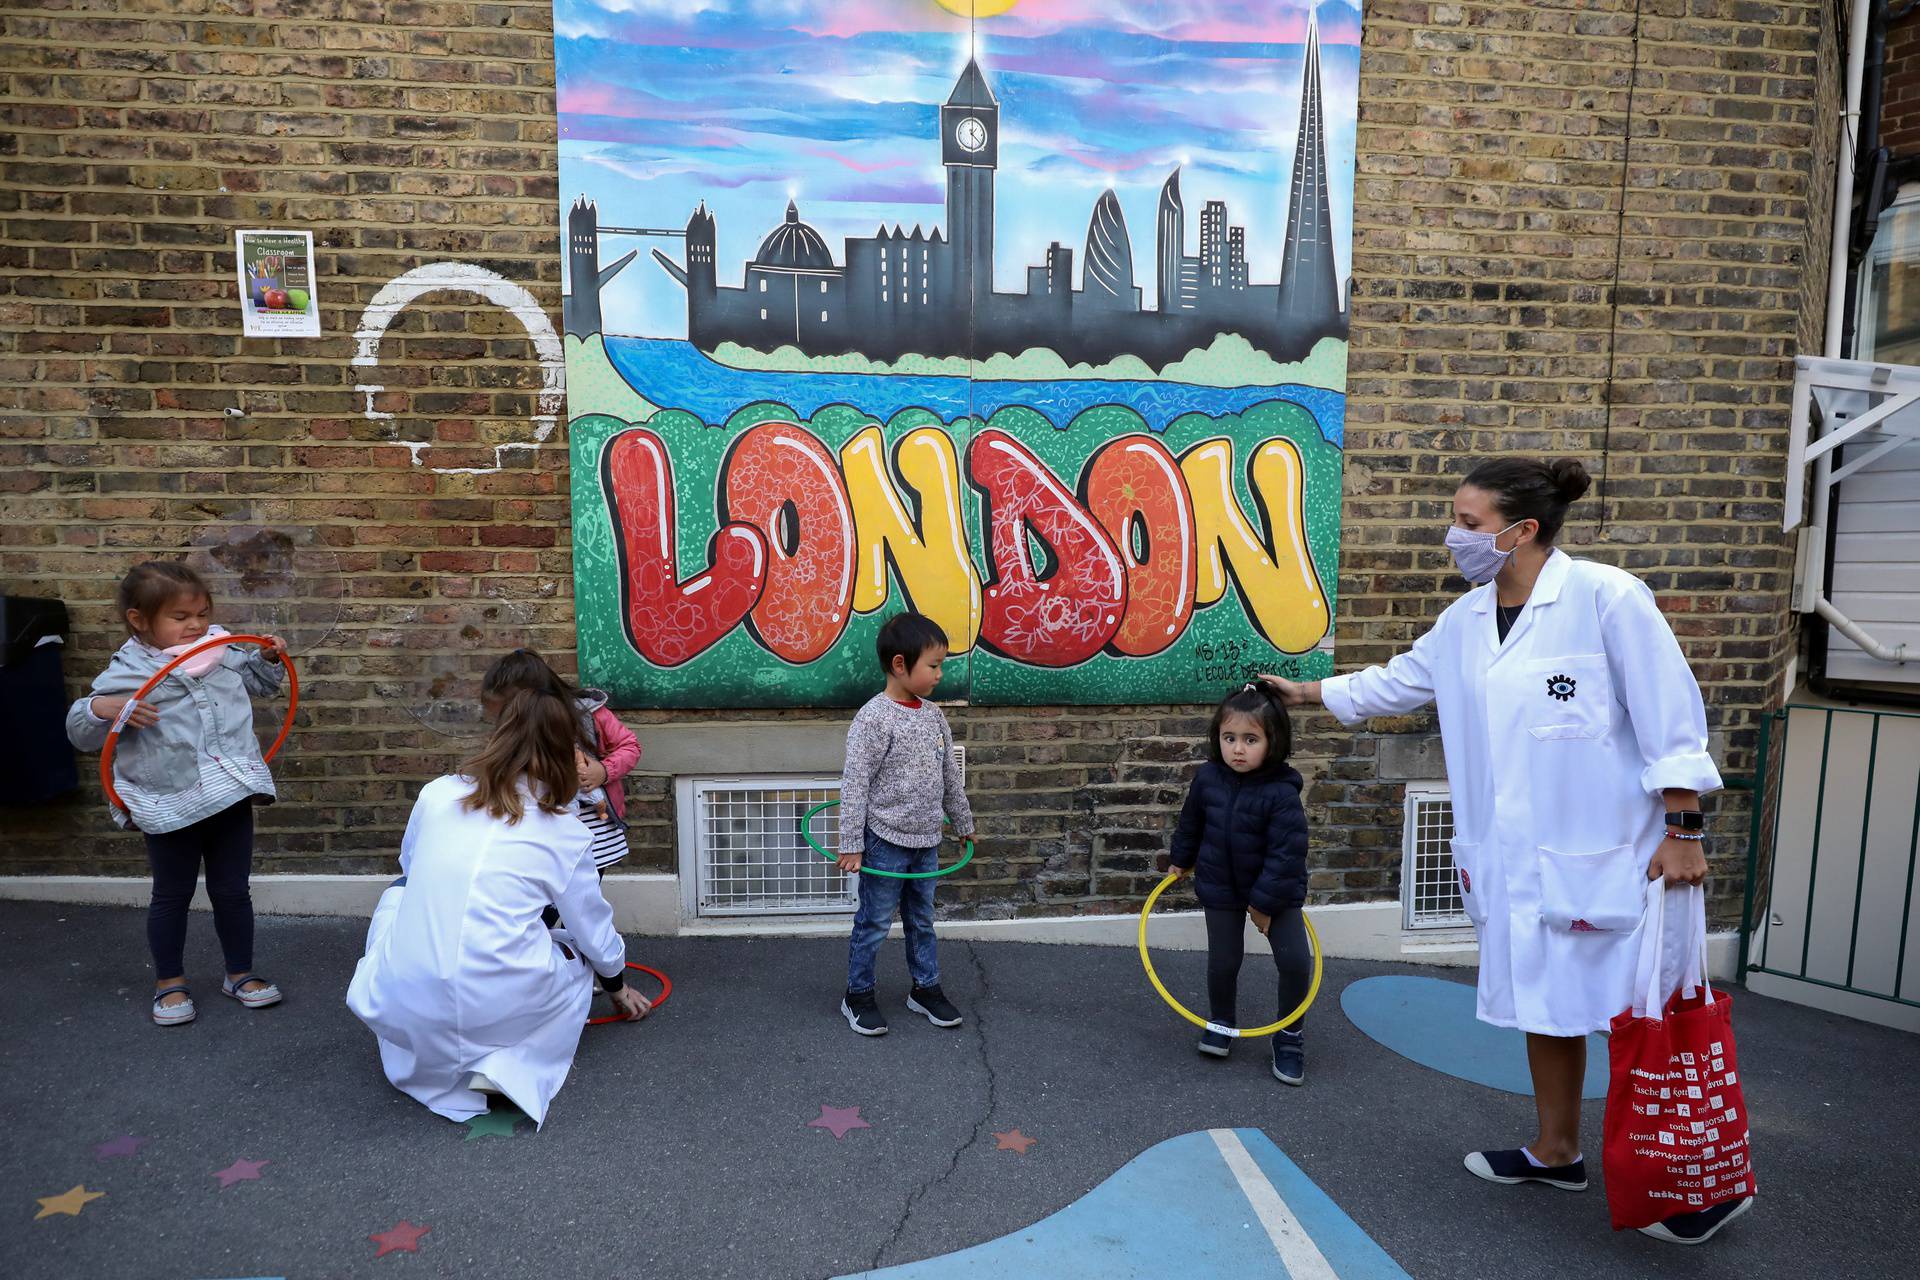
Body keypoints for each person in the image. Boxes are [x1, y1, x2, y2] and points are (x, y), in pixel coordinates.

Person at [1260, 457, 1748, 1245]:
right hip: (1519, 858)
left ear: (1522, 530)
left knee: (1648, 1016)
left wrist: (1684, 826)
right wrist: (1307, 693)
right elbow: (1401, 680)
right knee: (1545, 1006)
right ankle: (1557, 1152)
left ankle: (1682, 1182)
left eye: (1470, 522)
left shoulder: (1605, 598)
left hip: (1625, 854)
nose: (1454, 537)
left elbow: (1669, 708)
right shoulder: (1466, 621)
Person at [345, 685, 648, 1127]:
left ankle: (438, 1049)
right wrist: (616, 985)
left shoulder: (437, 794)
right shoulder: (564, 831)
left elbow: (411, 868)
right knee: (576, 953)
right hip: (499, 1004)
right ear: (566, 751)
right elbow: (594, 931)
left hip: (405, 1001)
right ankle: (508, 1065)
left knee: (398, 894)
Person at [65, 560, 289, 1027]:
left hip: (227, 793)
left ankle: (239, 974)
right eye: (180, 617)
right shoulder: (128, 673)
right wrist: (102, 708)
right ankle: (169, 981)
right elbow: (82, 734)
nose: (195, 625)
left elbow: (263, 686)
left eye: (202, 613)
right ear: (140, 620)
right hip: (168, 799)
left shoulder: (222, 650)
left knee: (233, 891)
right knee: (172, 894)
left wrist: (267, 660)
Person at [1163, 683, 1314, 1084]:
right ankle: (1222, 1021)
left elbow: (1286, 855)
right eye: (1229, 738)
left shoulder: (1282, 793)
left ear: (1273, 740)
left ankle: (1289, 1035)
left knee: (1297, 962)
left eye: (1251, 739)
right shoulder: (1208, 778)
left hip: (1275, 890)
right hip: (1221, 883)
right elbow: (1191, 820)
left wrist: (1263, 905)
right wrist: (1181, 858)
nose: (1238, 750)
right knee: (1224, 960)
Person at [836, 612, 975, 1037]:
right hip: (885, 840)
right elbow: (855, 783)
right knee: (875, 921)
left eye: (940, 665)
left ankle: (925, 988)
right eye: (933, 665)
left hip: (927, 839)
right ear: (901, 665)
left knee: (922, 918)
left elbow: (949, 774)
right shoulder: (874, 718)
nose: (939, 673)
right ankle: (857, 994)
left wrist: (963, 820)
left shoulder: (934, 716)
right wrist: (851, 843)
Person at [480, 648, 641, 882]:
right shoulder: (514, 731)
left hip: (595, 827)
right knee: (544, 895)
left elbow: (630, 746)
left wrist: (604, 771)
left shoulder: (590, 712)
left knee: (583, 896)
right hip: (545, 825)